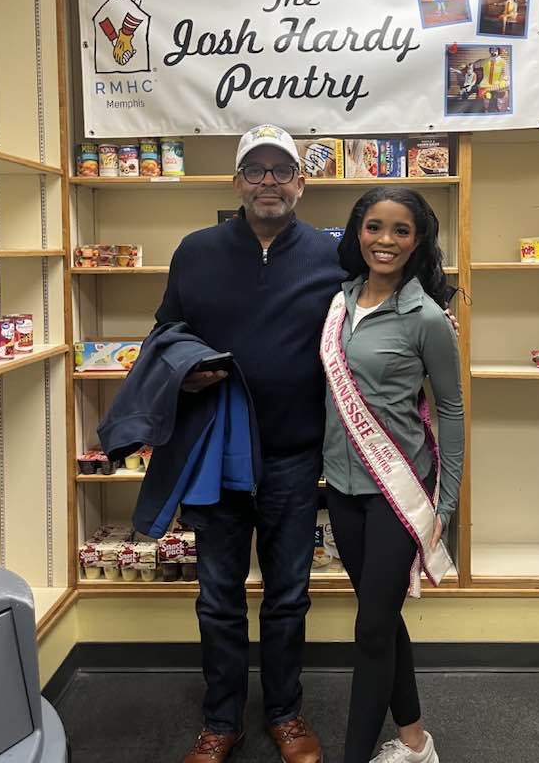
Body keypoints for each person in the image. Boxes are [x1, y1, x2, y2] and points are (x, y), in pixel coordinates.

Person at [156, 124, 343, 763]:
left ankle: (285, 712)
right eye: (256, 170)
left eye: (281, 170)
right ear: (237, 182)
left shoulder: (330, 254)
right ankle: (222, 719)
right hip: (216, 453)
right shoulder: (196, 251)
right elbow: (165, 332)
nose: (269, 181)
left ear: (301, 182)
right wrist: (184, 372)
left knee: (289, 595)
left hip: (294, 454)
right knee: (218, 597)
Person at [320, 187, 464, 763]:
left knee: (371, 630)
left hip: (398, 492)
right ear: (358, 232)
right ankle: (415, 741)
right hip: (343, 488)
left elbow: (451, 408)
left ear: (418, 240)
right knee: (381, 618)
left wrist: (446, 503)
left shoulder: (427, 317)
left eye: (401, 230)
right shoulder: (340, 303)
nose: (386, 240)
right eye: (374, 227)